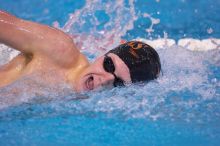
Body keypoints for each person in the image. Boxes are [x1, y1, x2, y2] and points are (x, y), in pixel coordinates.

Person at [0, 10, 161, 92]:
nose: (105, 80)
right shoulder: (59, 48)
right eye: (109, 65)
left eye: (118, 83)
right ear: (103, 54)